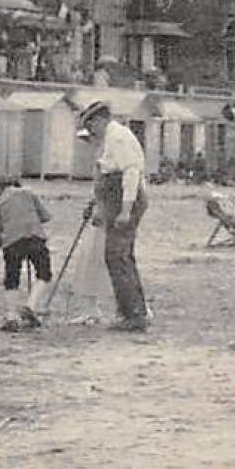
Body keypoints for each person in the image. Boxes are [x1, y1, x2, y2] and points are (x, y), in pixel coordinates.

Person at [77, 101, 150, 331]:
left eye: (91, 126)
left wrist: (125, 210)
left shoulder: (118, 137)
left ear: (100, 120)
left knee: (117, 255)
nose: (91, 132)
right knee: (121, 255)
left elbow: (130, 173)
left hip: (125, 200)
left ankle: (133, 315)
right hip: (114, 200)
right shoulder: (109, 138)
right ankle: (132, 310)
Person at [0, 180, 53, 331]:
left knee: (11, 279)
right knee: (44, 273)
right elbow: (46, 216)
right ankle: (30, 305)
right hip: (34, 236)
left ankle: (11, 316)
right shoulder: (29, 192)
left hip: (12, 242)